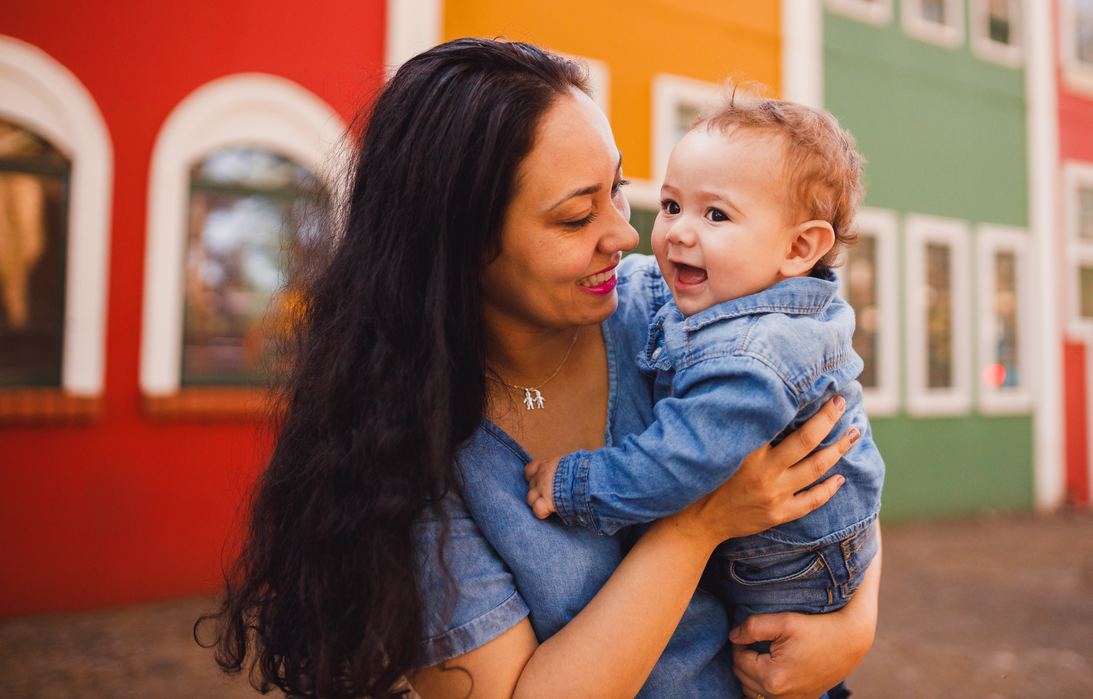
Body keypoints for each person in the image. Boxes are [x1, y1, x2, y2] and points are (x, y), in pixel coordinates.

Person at [205, 39, 881, 699]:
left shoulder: (667, 307)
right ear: (461, 245)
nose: (624, 233)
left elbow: (834, 446)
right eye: (576, 216)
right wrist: (697, 525)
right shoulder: (411, 460)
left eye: (617, 189)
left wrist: (852, 627)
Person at [524, 95, 884, 640]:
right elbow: (645, 279)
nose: (678, 234)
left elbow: (676, 461)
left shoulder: (755, 358)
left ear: (799, 247)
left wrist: (576, 485)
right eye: (671, 206)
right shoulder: (735, 286)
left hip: (795, 575)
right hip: (796, 537)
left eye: (716, 215)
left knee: (767, 667)